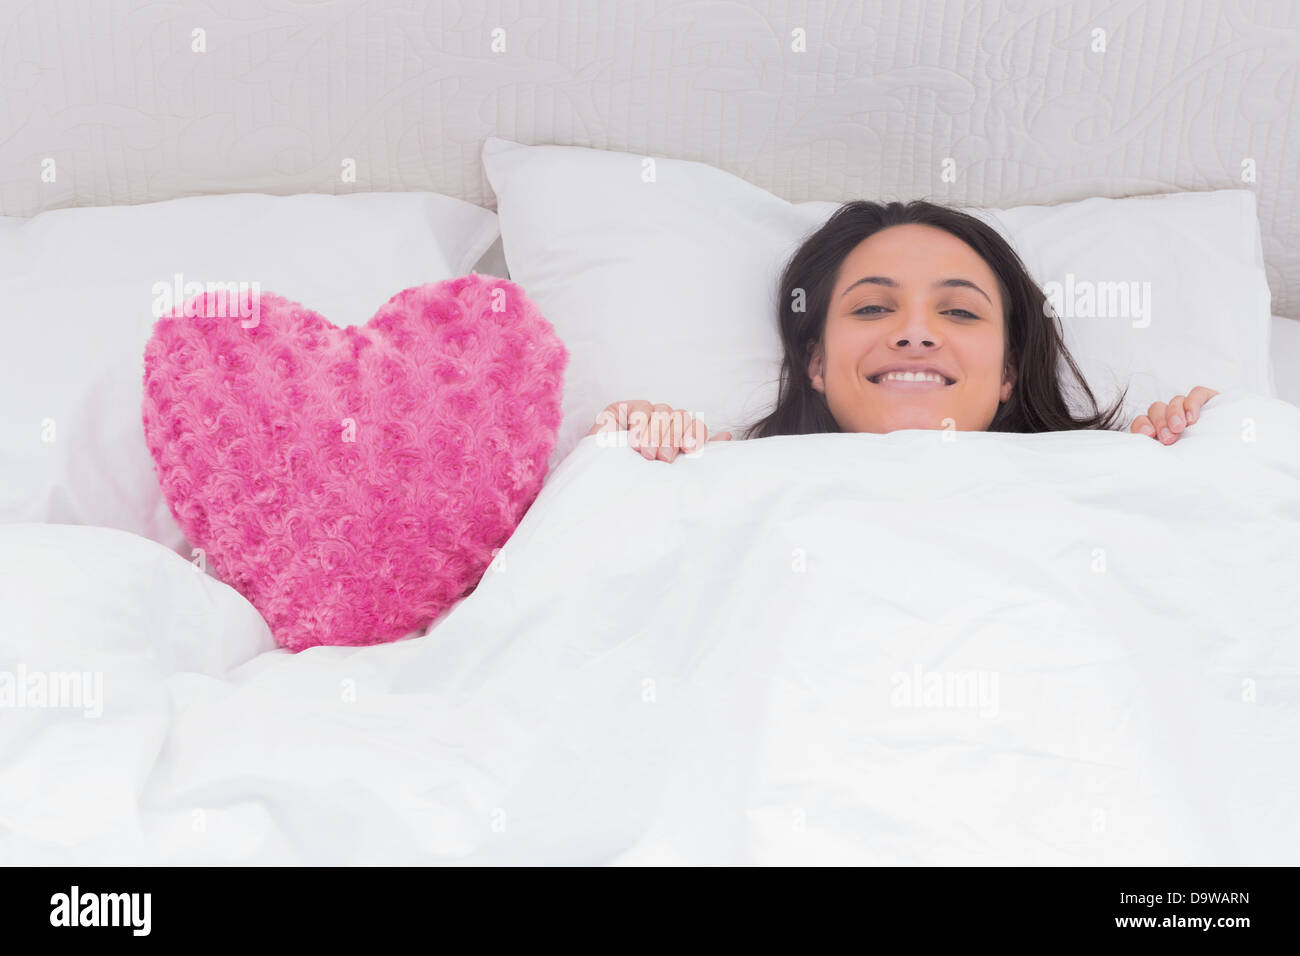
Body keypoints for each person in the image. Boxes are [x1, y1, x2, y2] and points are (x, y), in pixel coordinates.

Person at [587, 200, 1218, 463]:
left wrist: (1211, 443)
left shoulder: (1110, 477)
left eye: (960, 312)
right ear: (815, 364)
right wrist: (627, 459)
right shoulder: (726, 479)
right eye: (870, 309)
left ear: (1009, 372)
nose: (915, 334)